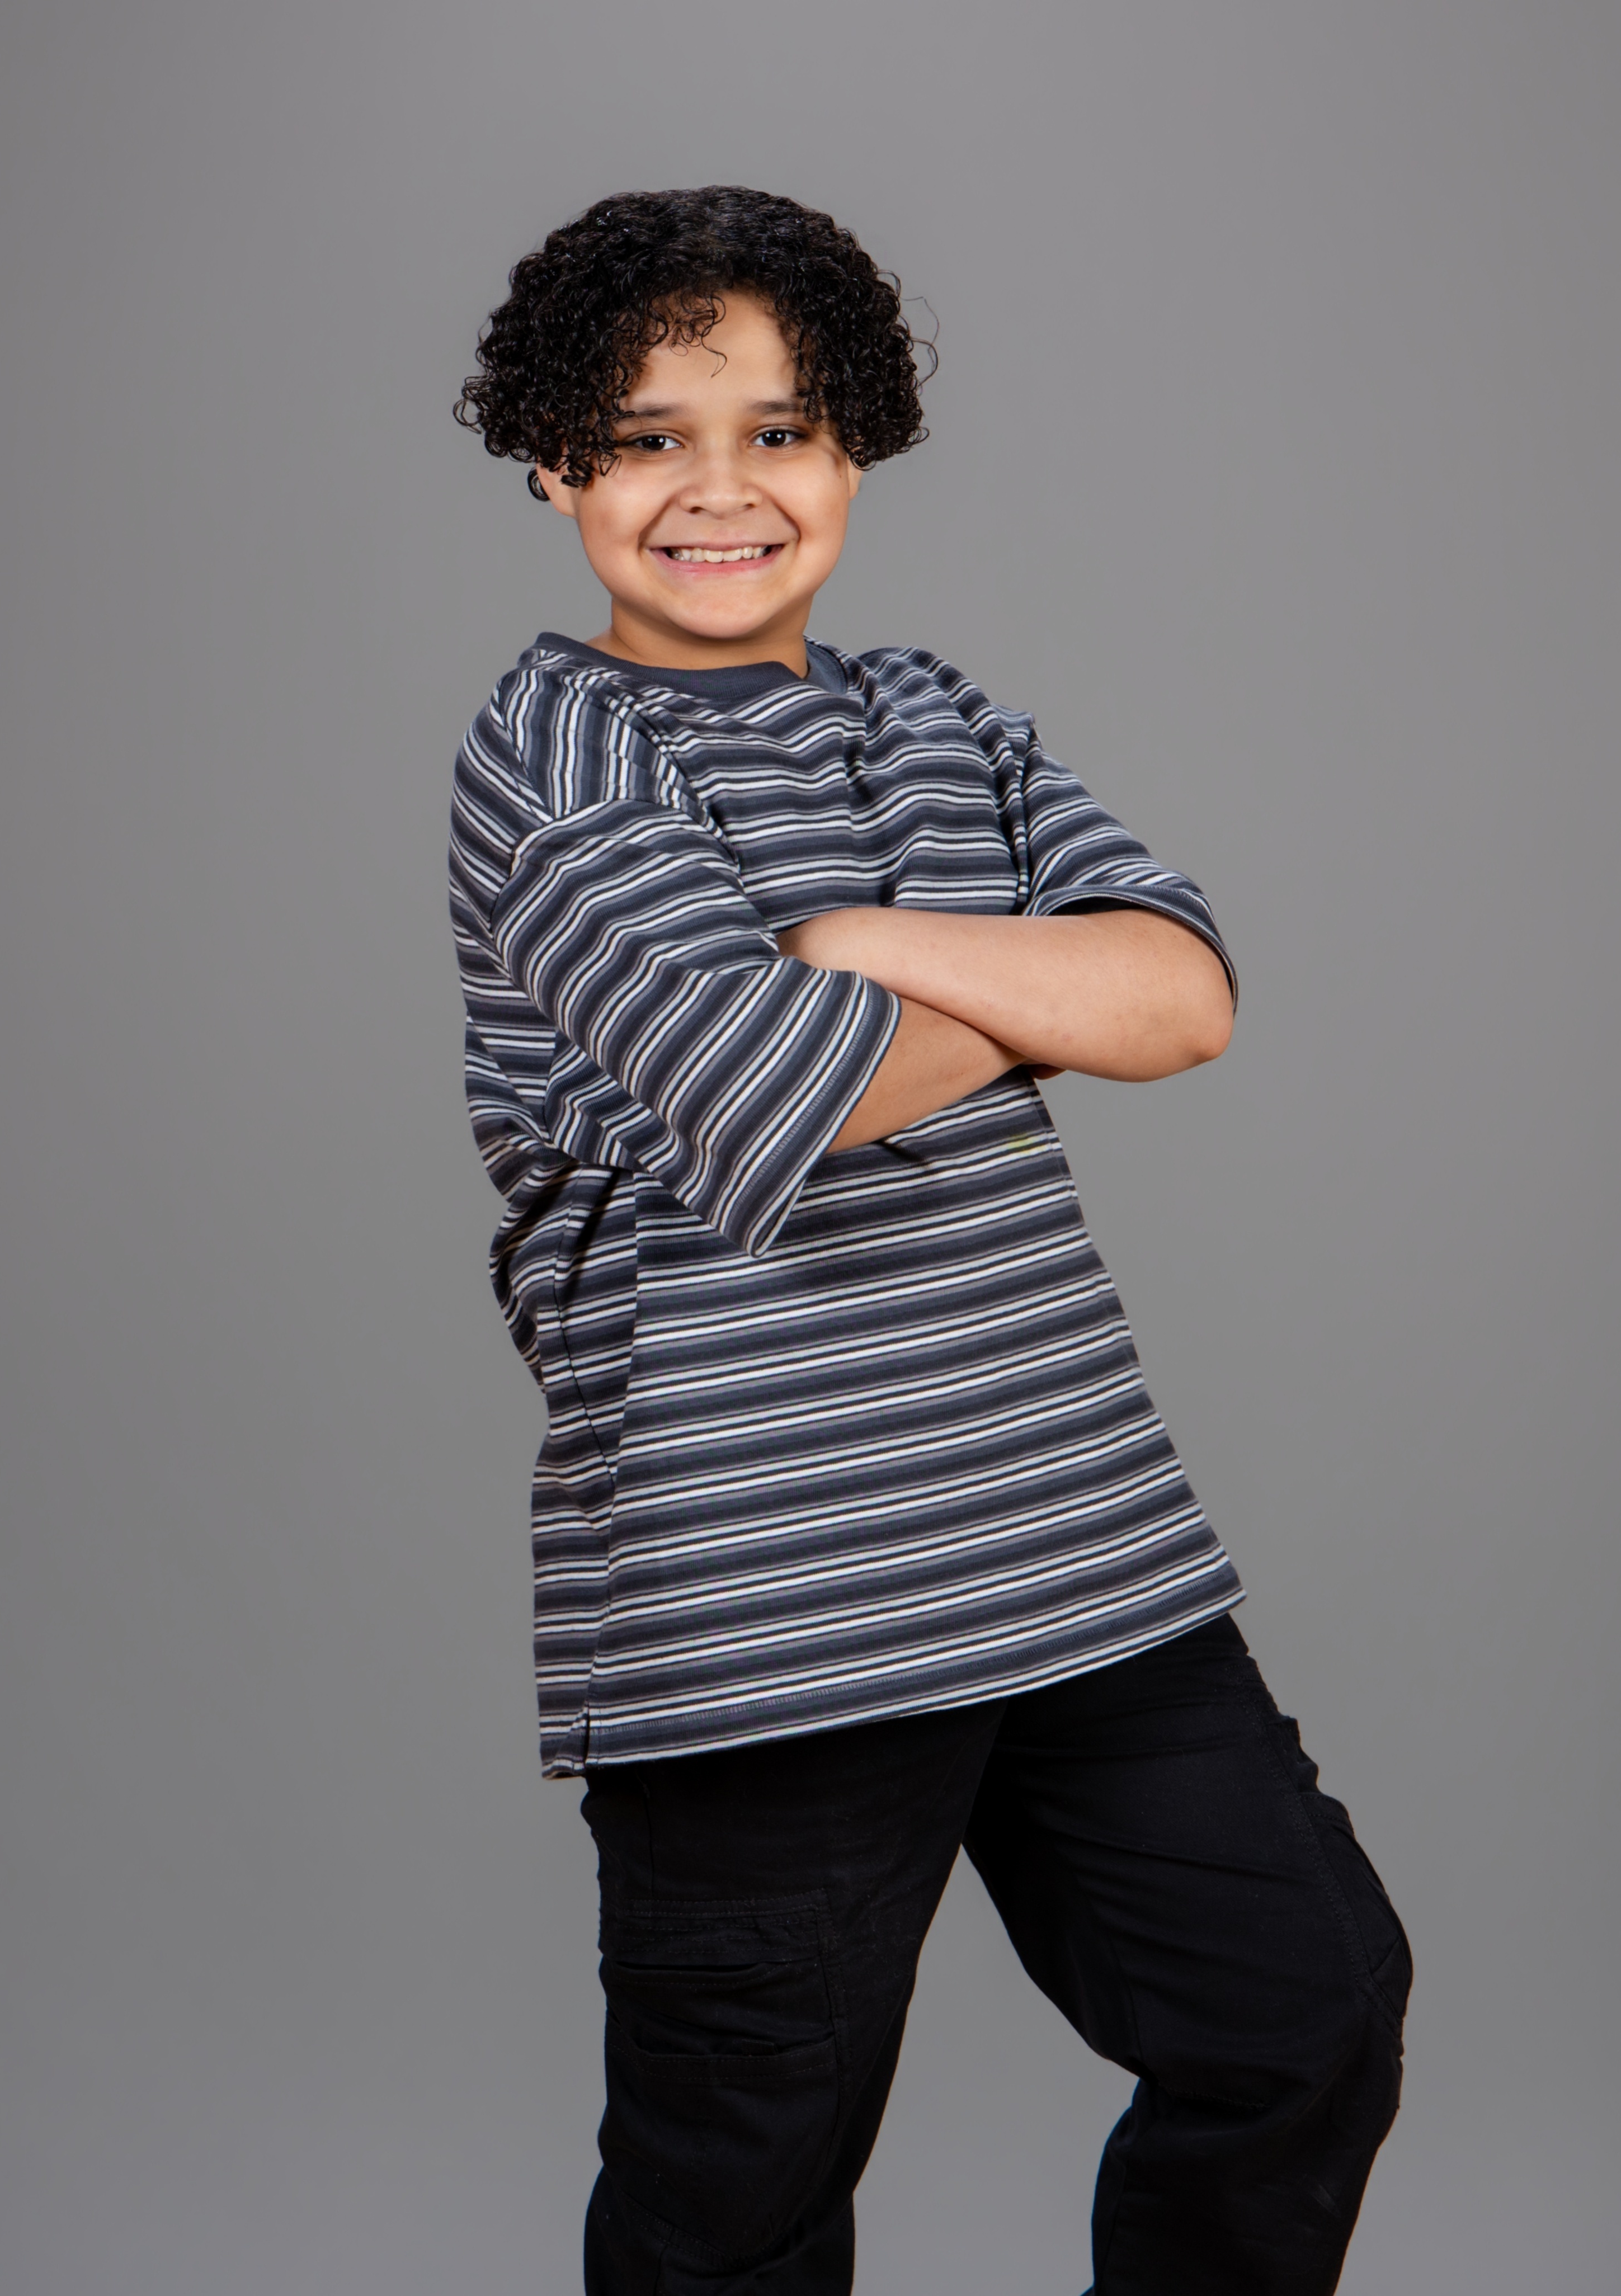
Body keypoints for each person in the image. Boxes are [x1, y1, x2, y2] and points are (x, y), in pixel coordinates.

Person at [449, 185, 1408, 2296]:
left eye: (780, 431)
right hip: (762, 1600)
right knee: (739, 2206)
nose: (720, 489)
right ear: (551, 461)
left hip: (1082, 1553)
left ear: (855, 450)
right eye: (647, 437)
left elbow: (1185, 998)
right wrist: (1029, 986)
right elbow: (782, 1085)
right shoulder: (553, 751)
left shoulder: (934, 710)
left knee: (1303, 2015)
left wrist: (851, 935)